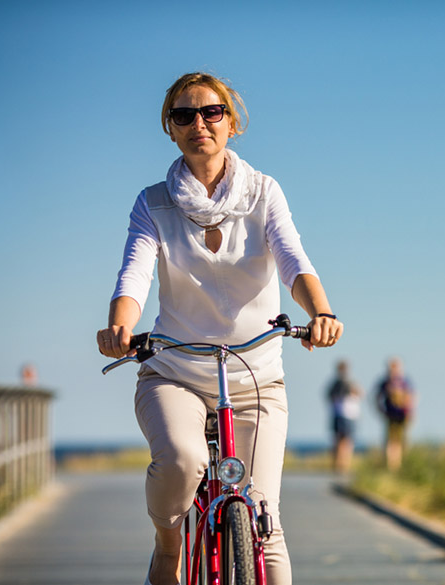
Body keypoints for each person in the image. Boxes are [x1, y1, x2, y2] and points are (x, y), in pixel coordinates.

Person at [96, 72, 342, 585]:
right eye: (183, 115)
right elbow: (135, 274)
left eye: (211, 112)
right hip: (174, 375)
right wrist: (120, 326)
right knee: (183, 463)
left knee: (264, 521)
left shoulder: (263, 193)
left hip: (256, 379)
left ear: (232, 122)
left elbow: (293, 260)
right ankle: (168, 546)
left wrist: (321, 312)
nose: (199, 124)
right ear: (170, 128)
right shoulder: (153, 203)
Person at [375, 357, 415, 471]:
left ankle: (394, 466)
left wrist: (379, 409)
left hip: (399, 415)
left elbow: (377, 398)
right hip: (396, 415)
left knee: (397, 442)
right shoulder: (403, 381)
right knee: (394, 442)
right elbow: (412, 396)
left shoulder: (389, 381)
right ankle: (394, 466)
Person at [326, 360, 362, 473]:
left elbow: (328, 396)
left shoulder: (335, 383)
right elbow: (359, 394)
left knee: (339, 439)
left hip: (339, 413)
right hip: (348, 414)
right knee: (345, 440)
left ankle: (339, 463)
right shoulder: (349, 382)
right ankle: (343, 463)